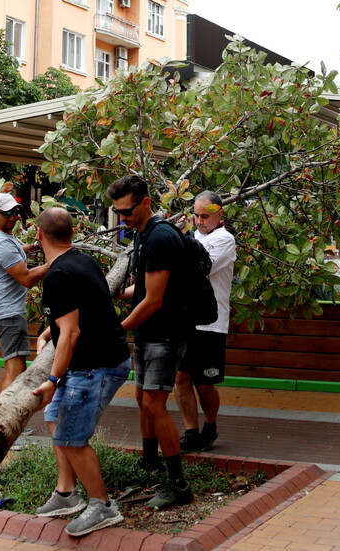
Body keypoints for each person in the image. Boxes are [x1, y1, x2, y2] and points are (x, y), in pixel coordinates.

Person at [30, 207, 130, 537]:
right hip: (97, 359)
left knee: (72, 437)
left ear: (39, 235)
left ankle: (102, 505)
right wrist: (49, 332)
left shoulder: (58, 274)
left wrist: (52, 380)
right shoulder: (83, 260)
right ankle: (65, 493)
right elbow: (77, 316)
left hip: (96, 365)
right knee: (56, 417)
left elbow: (71, 332)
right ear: (72, 234)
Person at [108, 174, 193, 511]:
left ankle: (178, 483)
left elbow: (154, 300)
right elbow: (142, 291)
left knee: (155, 405)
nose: (122, 219)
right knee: (143, 399)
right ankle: (149, 463)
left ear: (145, 203)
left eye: (127, 211)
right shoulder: (142, 235)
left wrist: (118, 329)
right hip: (148, 331)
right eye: (118, 212)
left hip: (165, 332)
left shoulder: (159, 237)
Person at [176, 191, 236, 453]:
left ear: (219, 214)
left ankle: (209, 426)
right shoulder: (190, 237)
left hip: (212, 323)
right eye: (196, 215)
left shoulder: (225, 239)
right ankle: (190, 432)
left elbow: (197, 267)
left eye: (205, 216)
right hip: (186, 321)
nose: (200, 221)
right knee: (180, 377)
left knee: (204, 382)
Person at [0, 193, 49, 392]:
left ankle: (0, 418)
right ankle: (4, 418)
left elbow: (16, 251)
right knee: (16, 366)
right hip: (7, 312)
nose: (13, 217)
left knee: (12, 364)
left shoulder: (2, 235)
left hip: (5, 310)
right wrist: (54, 260)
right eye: (7, 214)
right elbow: (27, 279)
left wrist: (35, 246)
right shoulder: (0, 242)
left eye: (15, 212)